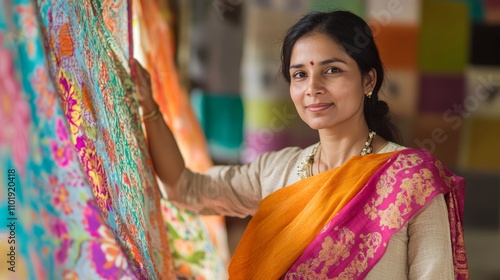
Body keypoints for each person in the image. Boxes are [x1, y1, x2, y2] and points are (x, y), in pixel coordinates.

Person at [134, 10, 469, 280]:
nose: (313, 87)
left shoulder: (410, 179)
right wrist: (149, 109)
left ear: (368, 80)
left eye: (332, 70)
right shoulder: (276, 170)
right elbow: (184, 187)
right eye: (299, 75)